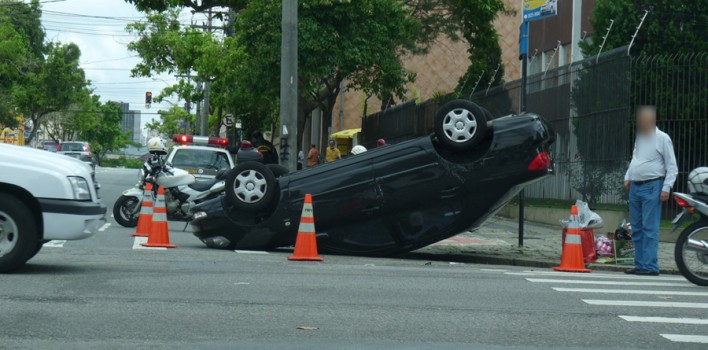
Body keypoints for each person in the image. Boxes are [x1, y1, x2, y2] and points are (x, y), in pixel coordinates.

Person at [623, 106, 678, 276]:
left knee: (649, 227)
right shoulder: (640, 138)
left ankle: (650, 266)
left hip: (652, 185)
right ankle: (640, 264)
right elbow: (636, 158)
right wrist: (628, 176)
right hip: (636, 186)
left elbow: (672, 166)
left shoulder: (662, 138)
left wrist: (666, 187)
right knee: (637, 228)